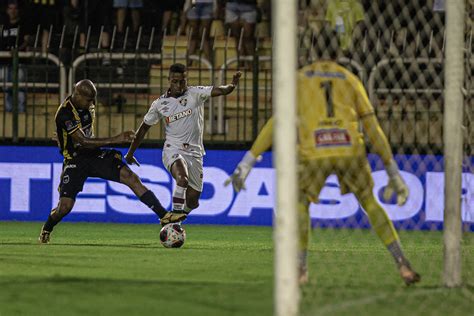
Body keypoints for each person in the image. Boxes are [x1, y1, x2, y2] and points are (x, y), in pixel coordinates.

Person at [225, 33, 421, 286]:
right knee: (370, 202)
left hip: (314, 152)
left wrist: (247, 162)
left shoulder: (298, 80)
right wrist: (392, 170)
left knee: (300, 203)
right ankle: (402, 263)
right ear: (339, 52)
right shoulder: (350, 78)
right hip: (350, 148)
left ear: (310, 53)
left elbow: (277, 122)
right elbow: (372, 126)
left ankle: (301, 268)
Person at [38, 79, 186, 244]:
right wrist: (117, 138)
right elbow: (82, 141)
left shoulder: (88, 106)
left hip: (93, 155)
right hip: (75, 159)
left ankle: (163, 215)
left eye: (93, 99)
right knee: (64, 207)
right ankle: (47, 228)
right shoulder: (65, 113)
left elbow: (85, 136)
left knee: (130, 176)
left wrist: (62, 136)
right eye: (88, 100)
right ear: (77, 94)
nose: (92, 103)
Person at [125, 63, 241, 217]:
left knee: (193, 201)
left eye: (183, 81)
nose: (179, 85)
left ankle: (175, 222)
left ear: (187, 80)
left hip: (195, 153)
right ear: (169, 80)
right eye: (175, 81)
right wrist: (130, 153)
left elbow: (221, 90)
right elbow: (143, 129)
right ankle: (174, 215)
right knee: (182, 178)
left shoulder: (196, 93)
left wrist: (232, 84)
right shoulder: (160, 104)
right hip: (173, 149)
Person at [0, 0, 31, 113]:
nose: (12, 11)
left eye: (15, 9)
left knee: (20, 87)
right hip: (5, 61)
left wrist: (18, 49)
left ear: (18, 10)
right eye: (10, 8)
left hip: (20, 61)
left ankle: (21, 111)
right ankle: (9, 111)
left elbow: (27, 41)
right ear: (7, 10)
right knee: (7, 87)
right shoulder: (3, 25)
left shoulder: (23, 24)